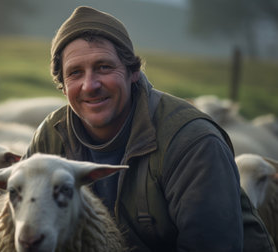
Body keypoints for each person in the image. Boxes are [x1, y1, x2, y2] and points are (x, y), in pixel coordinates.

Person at [24, 6, 275, 251]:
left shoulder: (192, 141)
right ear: (62, 85)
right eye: (75, 73)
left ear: (133, 71)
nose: (89, 85)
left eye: (104, 67)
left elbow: (211, 243)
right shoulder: (50, 139)